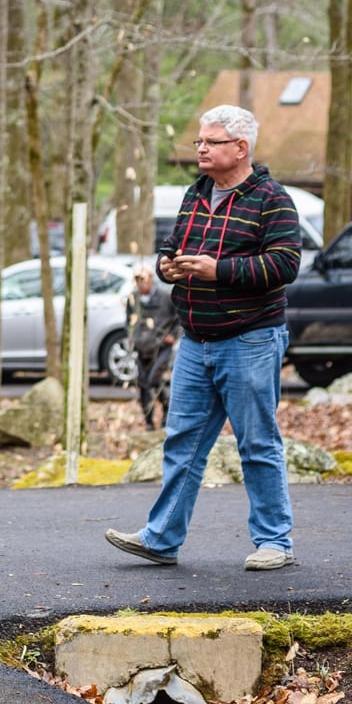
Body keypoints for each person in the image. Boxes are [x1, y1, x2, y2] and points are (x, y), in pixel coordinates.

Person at [105, 104, 302, 572]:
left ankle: (276, 541)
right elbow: (171, 248)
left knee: (257, 444)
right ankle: (161, 539)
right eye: (198, 141)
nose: (200, 148)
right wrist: (166, 267)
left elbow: (284, 266)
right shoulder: (196, 194)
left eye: (211, 142)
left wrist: (220, 270)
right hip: (195, 339)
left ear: (240, 147)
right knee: (183, 442)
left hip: (250, 340)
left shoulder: (272, 199)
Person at [126, 265, 179, 430]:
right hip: (141, 348)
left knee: (154, 380)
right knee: (143, 384)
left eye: (144, 280)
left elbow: (178, 318)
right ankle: (148, 420)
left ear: (151, 280)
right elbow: (129, 322)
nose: (141, 285)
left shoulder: (165, 298)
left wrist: (173, 335)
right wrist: (132, 338)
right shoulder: (133, 299)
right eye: (138, 281)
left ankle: (165, 415)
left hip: (161, 347)